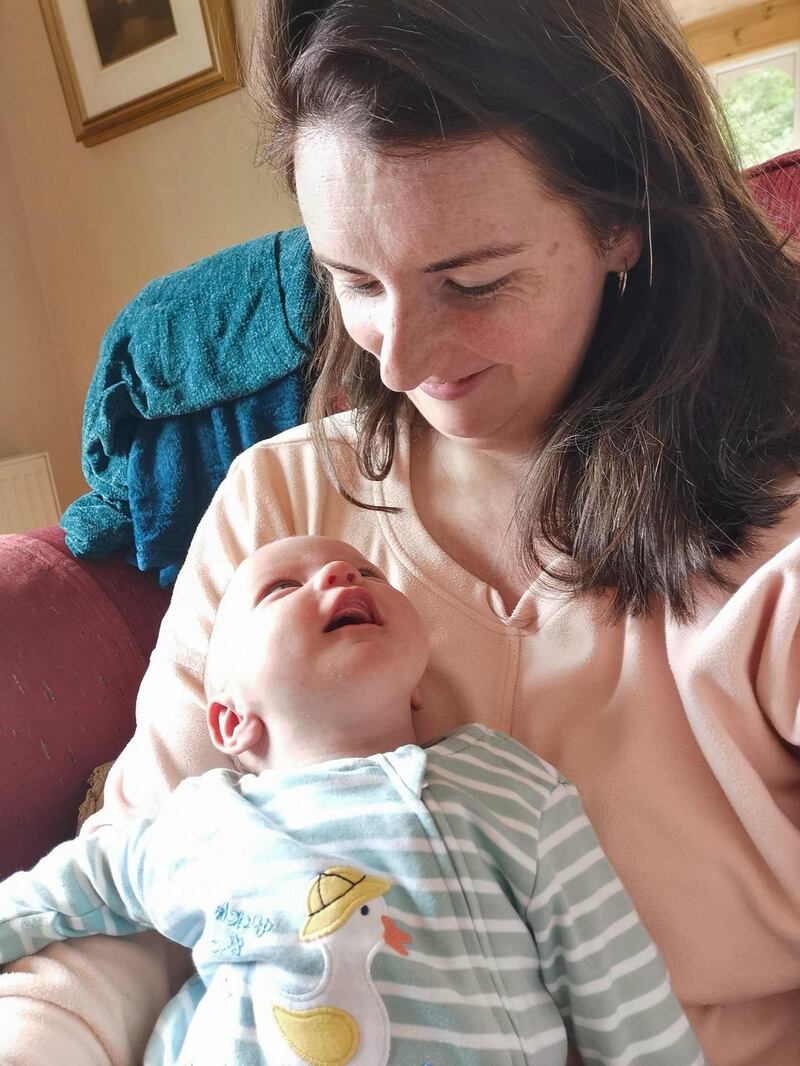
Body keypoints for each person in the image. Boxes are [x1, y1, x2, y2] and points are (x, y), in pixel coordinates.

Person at [1, 1, 798, 1063]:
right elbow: (127, 906)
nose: (396, 359)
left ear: (622, 219)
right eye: (354, 281)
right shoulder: (279, 503)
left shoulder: (777, 551)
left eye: (471, 282)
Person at [0, 535, 704, 1065]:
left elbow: (617, 982)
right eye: (281, 588)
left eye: (368, 574)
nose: (341, 575)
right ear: (231, 721)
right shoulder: (210, 821)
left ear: (418, 687)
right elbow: (81, 882)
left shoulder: (499, 781)